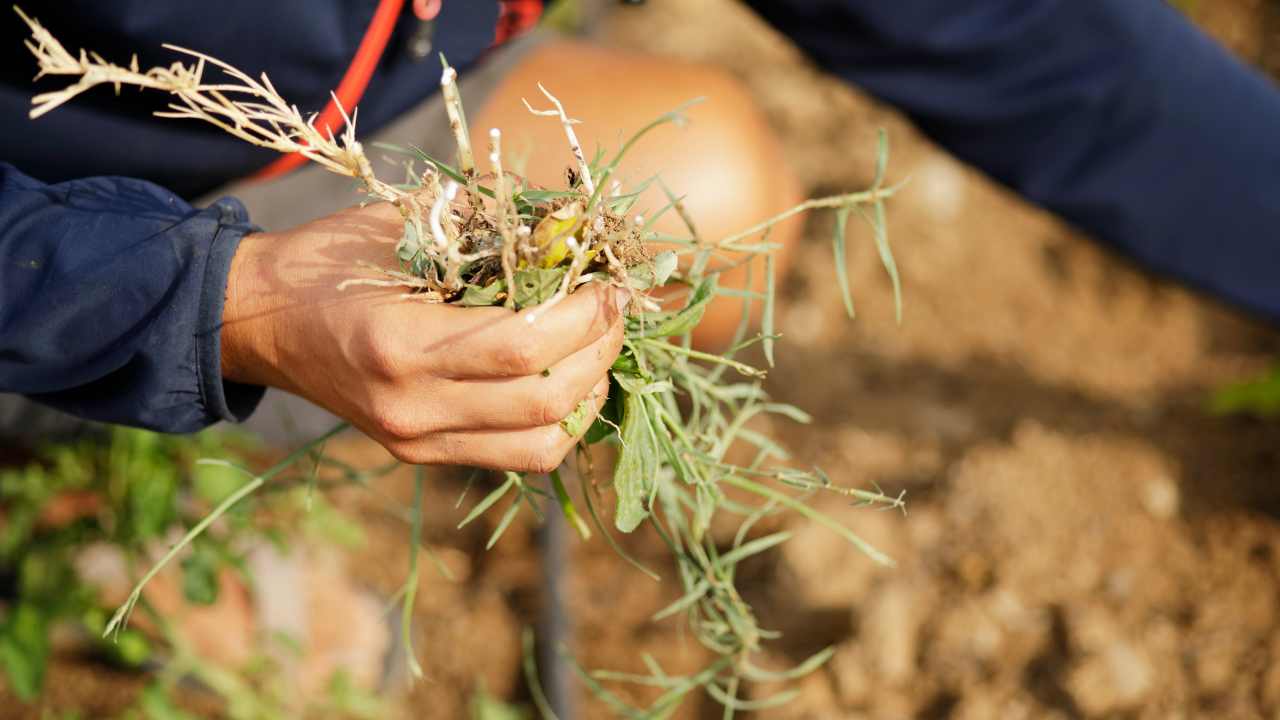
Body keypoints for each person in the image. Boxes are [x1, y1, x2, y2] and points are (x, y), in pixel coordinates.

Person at [2, 0, 1278, 473]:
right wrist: (211, 302)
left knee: (694, 198)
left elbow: (1029, 42)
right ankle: (83, 428)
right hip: (60, 191)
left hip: (362, 108)